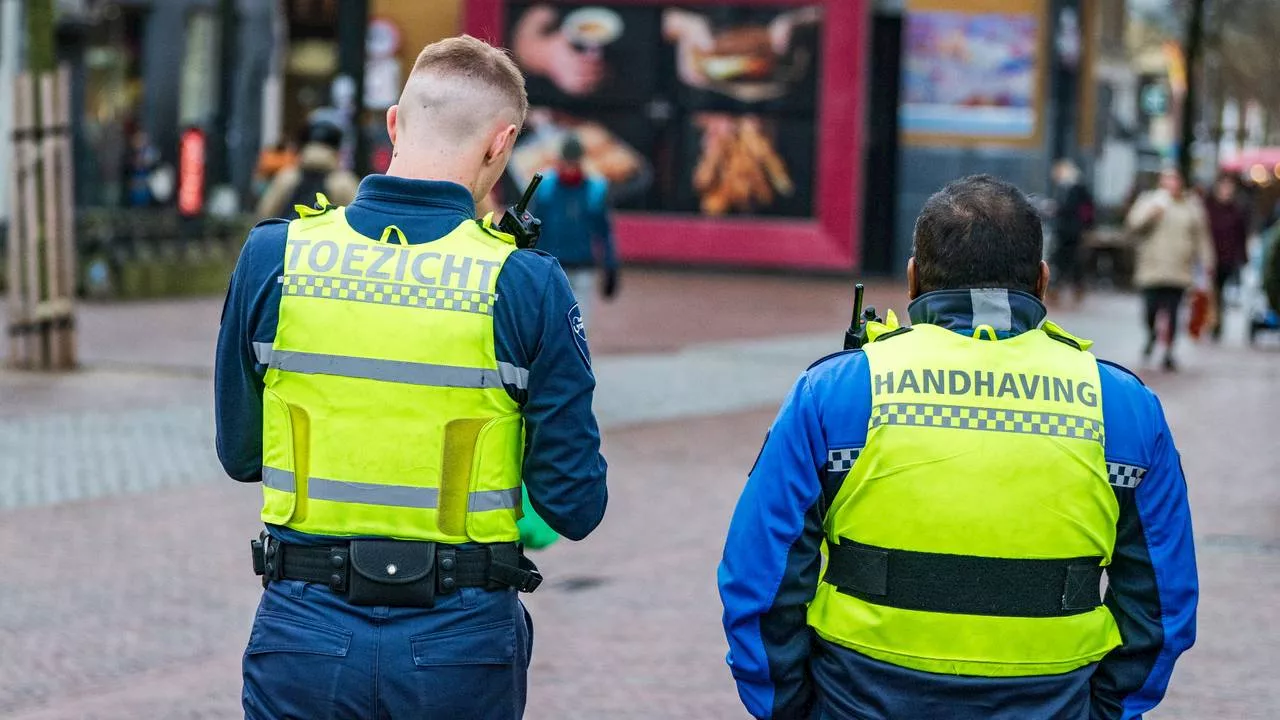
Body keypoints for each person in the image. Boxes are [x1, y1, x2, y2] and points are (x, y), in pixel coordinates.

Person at [215, 35, 608, 719]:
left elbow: (241, 454)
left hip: (303, 630)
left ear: (395, 124)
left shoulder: (276, 257)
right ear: (500, 144)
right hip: (460, 641)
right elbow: (575, 505)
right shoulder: (524, 282)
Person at [719, 175, 1197, 720]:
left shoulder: (834, 394)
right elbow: (1163, 601)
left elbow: (759, 578)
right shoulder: (1123, 407)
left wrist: (792, 708)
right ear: (1042, 282)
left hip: (856, 701)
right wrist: (1105, 709)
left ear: (912, 277)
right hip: (1054, 704)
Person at [1126, 168, 1215, 370]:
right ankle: (1151, 335)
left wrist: (1207, 262)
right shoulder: (1149, 201)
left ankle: (1168, 351)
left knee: (1173, 312)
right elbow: (1132, 225)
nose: (1171, 184)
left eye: (1174, 179)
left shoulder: (1191, 206)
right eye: (1167, 180)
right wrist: (1151, 214)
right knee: (1150, 309)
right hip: (1152, 268)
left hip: (1178, 269)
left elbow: (1202, 237)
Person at [530, 134, 619, 329]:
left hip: (582, 266)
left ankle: (575, 358)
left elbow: (604, 231)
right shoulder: (546, 187)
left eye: (574, 161)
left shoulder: (595, 189)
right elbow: (533, 228)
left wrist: (611, 265)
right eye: (566, 161)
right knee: (549, 321)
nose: (570, 166)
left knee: (578, 323)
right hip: (550, 266)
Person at [255, 120, 360, 219]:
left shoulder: (287, 176)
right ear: (336, 150)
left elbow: (264, 214)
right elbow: (361, 219)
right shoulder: (344, 182)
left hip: (289, 237)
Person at [1203, 172, 1251, 340]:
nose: (1226, 190)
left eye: (1229, 187)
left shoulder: (1237, 210)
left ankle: (1216, 322)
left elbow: (1241, 235)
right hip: (1208, 255)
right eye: (1223, 186)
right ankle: (1211, 321)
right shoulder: (1207, 207)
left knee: (1220, 291)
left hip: (1228, 258)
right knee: (1210, 290)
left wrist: (1243, 256)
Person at [1047, 158, 1095, 307]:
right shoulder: (1073, 187)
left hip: (1070, 230)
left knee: (1064, 260)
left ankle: (1058, 289)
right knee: (1068, 261)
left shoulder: (1073, 188)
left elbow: (1070, 208)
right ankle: (1067, 288)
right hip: (1070, 230)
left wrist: (1056, 209)